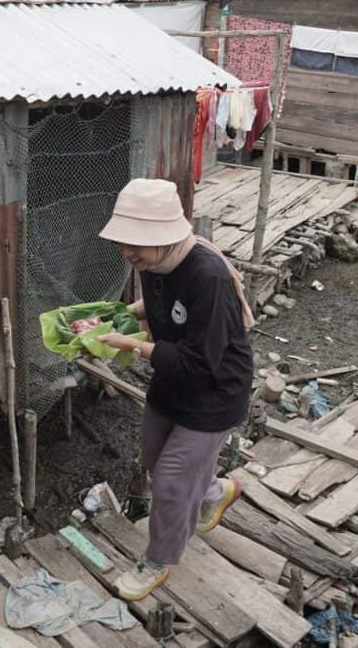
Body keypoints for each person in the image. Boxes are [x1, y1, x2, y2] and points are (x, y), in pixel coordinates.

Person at [95, 178, 256, 601]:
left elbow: (202, 362)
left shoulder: (208, 275)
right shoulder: (156, 264)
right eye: (124, 243)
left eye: (137, 245)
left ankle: (159, 559)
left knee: (168, 481)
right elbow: (164, 303)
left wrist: (133, 345)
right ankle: (216, 492)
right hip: (173, 378)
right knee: (154, 457)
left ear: (164, 239)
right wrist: (124, 314)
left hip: (215, 389)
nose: (128, 253)